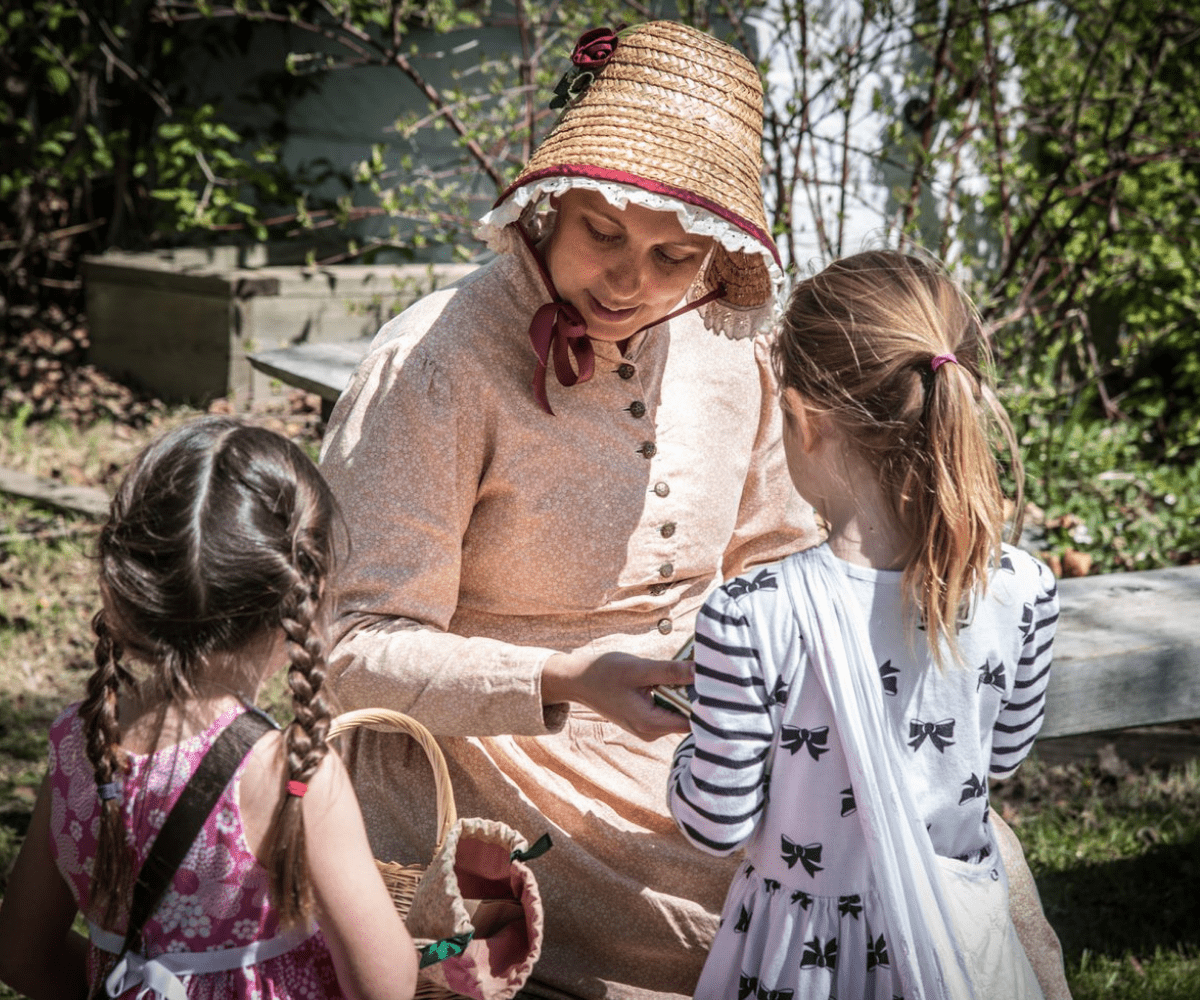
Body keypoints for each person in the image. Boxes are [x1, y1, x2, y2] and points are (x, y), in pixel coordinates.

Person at [318, 21, 1067, 1000]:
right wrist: (566, 677)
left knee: (976, 868)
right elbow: (342, 650)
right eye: (603, 233)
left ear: (719, 259)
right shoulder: (435, 364)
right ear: (550, 202)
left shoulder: (733, 350)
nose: (633, 280)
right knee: (756, 907)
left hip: (717, 718)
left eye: (675, 255)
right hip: (501, 748)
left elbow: (777, 561)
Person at [667, 250, 1060, 999]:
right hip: (958, 938)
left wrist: (689, 746)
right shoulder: (1027, 588)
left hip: (800, 958)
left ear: (804, 420)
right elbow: (999, 757)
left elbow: (716, 823)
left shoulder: (751, 613)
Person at [0, 417, 418, 1000]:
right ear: (306, 595)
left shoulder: (78, 747)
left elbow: (22, 953)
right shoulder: (291, 776)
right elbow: (385, 985)